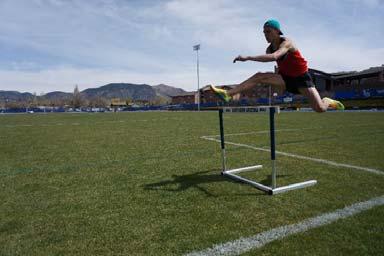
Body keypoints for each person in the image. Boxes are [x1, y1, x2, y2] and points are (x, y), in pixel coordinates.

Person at [210, 19, 344, 112]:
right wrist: (277, 82)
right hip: (286, 78)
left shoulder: (287, 42)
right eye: (264, 32)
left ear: (277, 31)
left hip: (302, 79)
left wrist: (248, 57)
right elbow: (280, 63)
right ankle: (228, 94)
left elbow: (275, 57)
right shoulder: (269, 49)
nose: (265, 35)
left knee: (319, 108)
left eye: (268, 31)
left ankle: (327, 101)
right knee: (259, 76)